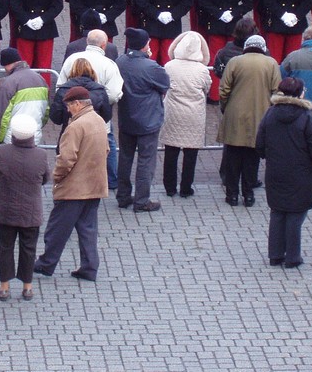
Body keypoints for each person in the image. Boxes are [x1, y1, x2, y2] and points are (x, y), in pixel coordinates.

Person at [33, 86, 110, 281]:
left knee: (56, 228)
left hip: (74, 188)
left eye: (68, 106)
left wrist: (57, 177)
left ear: (77, 104)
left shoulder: (76, 126)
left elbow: (66, 159)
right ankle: (89, 267)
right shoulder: (99, 120)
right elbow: (107, 149)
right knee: (87, 229)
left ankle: (46, 263)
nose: (67, 110)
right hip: (95, 186)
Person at [256, 77, 312, 268]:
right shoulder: (308, 118)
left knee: (277, 212)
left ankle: (275, 254)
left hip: (276, 171)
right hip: (302, 174)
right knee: (296, 214)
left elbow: (259, 143)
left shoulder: (270, 114)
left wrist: (270, 157)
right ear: (301, 93)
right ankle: (293, 257)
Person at [0, 115, 51, 300]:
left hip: (6, 208)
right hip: (31, 211)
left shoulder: (3, 151)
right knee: (29, 248)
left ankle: (4, 287)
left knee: (5, 247)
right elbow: (45, 179)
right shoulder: (41, 155)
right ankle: (27, 287)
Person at [218, 34, 281, 207]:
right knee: (252, 159)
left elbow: (224, 89)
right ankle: (248, 194)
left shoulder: (234, 62)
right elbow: (277, 91)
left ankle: (232, 195)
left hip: (235, 115)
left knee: (232, 157)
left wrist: (226, 107)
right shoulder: (271, 63)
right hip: (260, 115)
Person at [115, 28, 170, 212]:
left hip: (126, 119)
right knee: (146, 161)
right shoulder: (151, 67)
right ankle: (142, 201)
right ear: (144, 45)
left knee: (125, 158)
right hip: (148, 121)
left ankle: (123, 196)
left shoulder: (120, 62)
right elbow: (164, 84)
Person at [160, 31, 211, 198]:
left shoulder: (169, 66)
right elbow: (207, 88)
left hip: (173, 112)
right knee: (191, 154)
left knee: (170, 151)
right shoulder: (202, 70)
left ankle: (170, 187)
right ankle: (186, 188)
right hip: (194, 114)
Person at [0, 47, 49, 147]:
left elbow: (0, 117)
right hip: (34, 137)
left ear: (6, 64)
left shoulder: (8, 83)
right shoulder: (40, 79)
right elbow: (45, 112)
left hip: (11, 139)